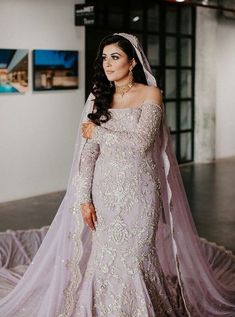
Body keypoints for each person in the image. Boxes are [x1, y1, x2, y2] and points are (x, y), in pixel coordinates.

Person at [0, 33, 234, 316]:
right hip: (105, 191)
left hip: (141, 191)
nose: (108, 64)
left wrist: (97, 131)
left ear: (132, 62)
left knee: (136, 257)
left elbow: (141, 143)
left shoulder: (150, 94)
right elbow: (87, 155)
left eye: (115, 57)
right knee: (106, 259)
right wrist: (84, 198)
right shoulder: (99, 97)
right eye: (104, 58)